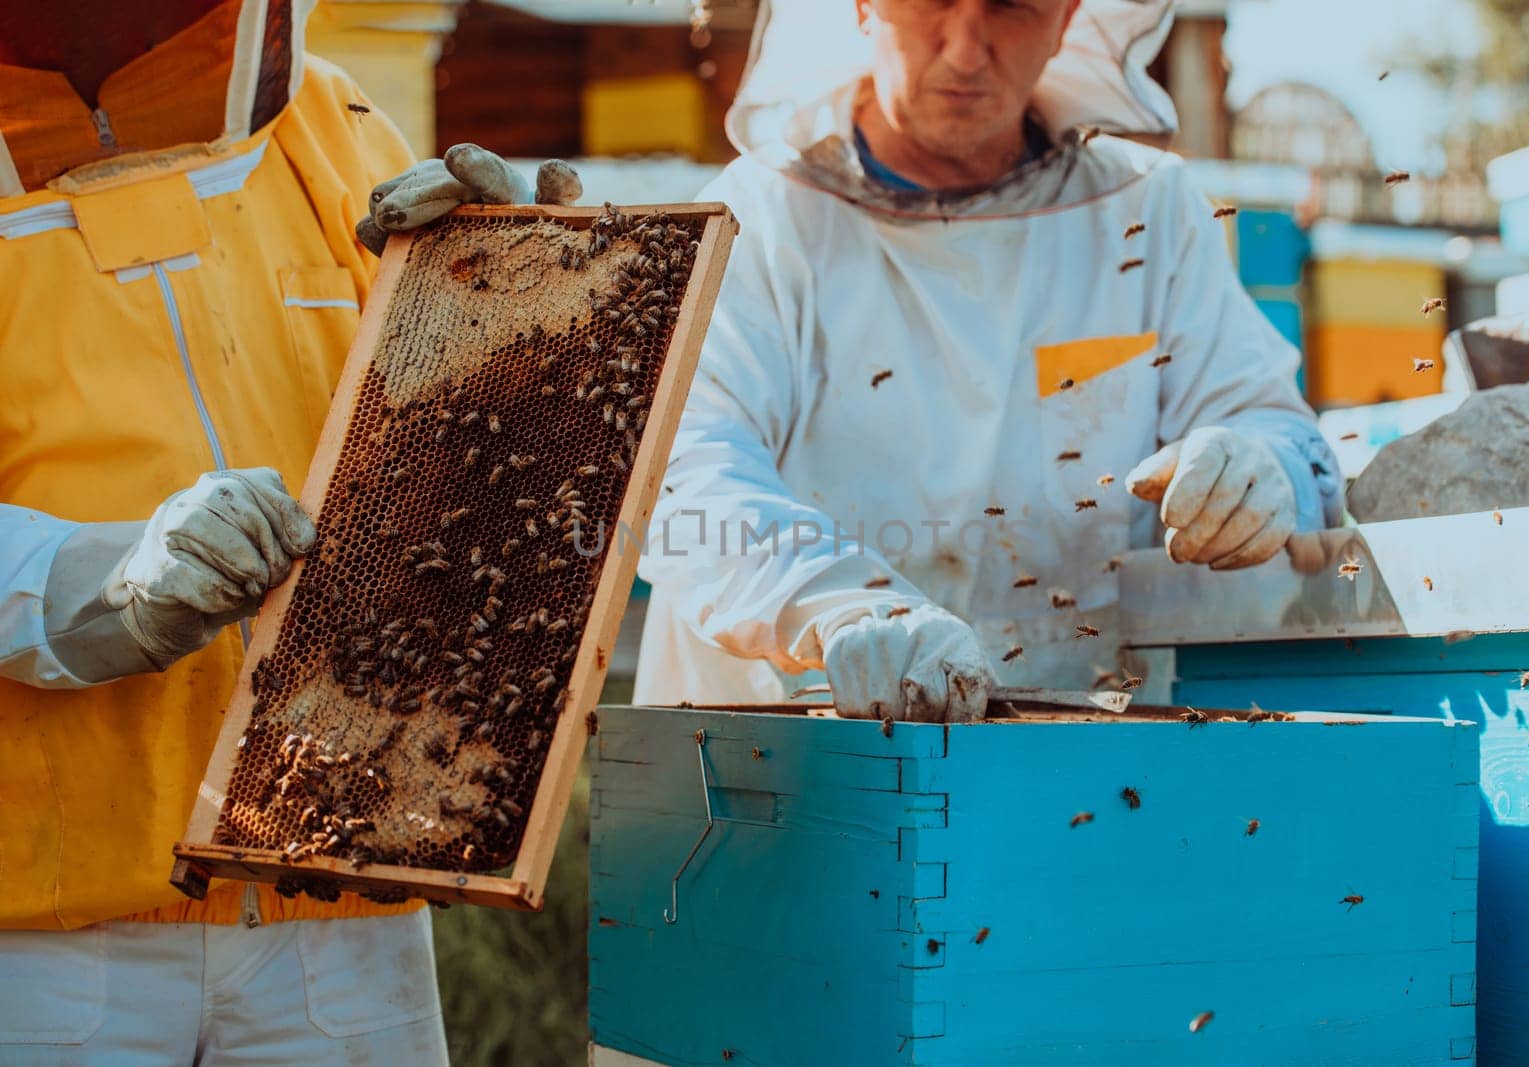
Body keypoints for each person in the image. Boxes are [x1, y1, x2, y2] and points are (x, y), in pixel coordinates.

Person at [0, 4, 573, 1061]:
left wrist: (519, 299)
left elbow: (460, 458)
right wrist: (100, 584)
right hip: (48, 934)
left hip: (346, 905)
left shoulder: (331, 121)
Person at [631, 0, 1343, 722]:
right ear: (862, 6)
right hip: (780, 777)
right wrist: (842, 608)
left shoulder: (1147, 211)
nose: (967, 49)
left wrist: (1263, 467)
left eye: (1011, 5)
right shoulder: (762, 220)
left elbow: (1273, 425)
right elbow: (685, 471)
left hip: (1084, 769)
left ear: (1066, 18)